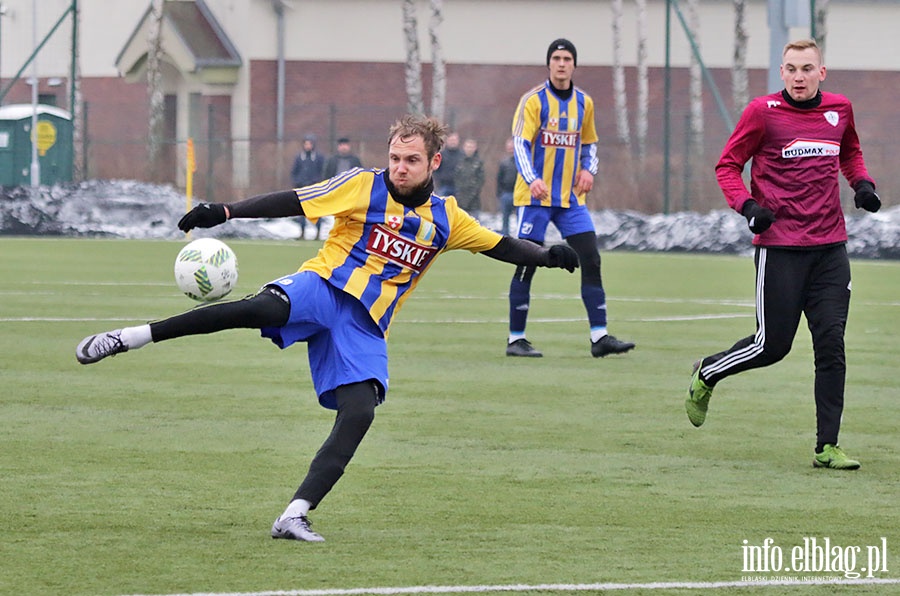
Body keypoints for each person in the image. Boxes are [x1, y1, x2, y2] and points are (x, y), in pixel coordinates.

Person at [75, 114, 580, 542]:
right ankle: (130, 336)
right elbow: (291, 200)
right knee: (257, 311)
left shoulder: (447, 218)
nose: (400, 168)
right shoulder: (362, 184)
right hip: (322, 286)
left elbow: (500, 245)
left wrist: (546, 255)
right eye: (395, 158)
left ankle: (294, 514)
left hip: (364, 324)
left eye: (411, 161)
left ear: (434, 163)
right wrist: (225, 211)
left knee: (359, 413)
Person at [685, 39, 881, 470]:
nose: (798, 76)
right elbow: (727, 165)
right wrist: (748, 207)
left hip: (830, 249)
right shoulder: (762, 113)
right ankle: (707, 373)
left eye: (806, 68)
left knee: (831, 345)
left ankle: (826, 447)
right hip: (780, 249)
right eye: (790, 68)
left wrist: (861, 184)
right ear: (782, 72)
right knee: (772, 346)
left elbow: (849, 151)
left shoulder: (840, 110)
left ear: (821, 73)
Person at [505, 38, 635, 359]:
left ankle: (600, 336)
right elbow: (520, 144)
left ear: (574, 65)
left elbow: (590, 145)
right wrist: (532, 178)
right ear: (549, 64)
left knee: (590, 258)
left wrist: (589, 170)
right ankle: (516, 338)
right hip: (535, 198)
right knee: (526, 262)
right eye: (556, 58)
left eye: (567, 59)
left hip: (571, 200)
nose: (562, 64)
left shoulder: (583, 103)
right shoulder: (533, 101)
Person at [290, 134, 326, 239]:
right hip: (302, 189)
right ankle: (302, 233)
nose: (308, 146)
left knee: (317, 211)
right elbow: (294, 172)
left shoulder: (319, 158)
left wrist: (317, 183)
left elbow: (322, 172)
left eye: (310, 143)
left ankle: (318, 233)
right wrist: (298, 182)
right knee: (301, 212)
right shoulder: (299, 157)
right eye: (306, 144)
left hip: (314, 189)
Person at [452, 137, 485, 217]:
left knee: (475, 222)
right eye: (467, 147)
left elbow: (481, 180)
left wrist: (474, 192)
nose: (469, 149)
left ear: (475, 148)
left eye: (471, 147)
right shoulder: (459, 161)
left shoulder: (479, 162)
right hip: (460, 197)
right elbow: (456, 178)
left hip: (474, 199)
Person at [496, 137, 517, 236]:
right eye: (509, 146)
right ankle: (505, 238)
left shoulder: (521, 162)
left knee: (519, 219)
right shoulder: (504, 163)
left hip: (518, 195)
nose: (510, 148)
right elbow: (499, 178)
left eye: (512, 146)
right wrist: (500, 193)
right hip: (506, 194)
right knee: (505, 219)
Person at [432, 131, 461, 196]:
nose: (453, 142)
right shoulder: (441, 155)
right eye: (451, 140)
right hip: (443, 186)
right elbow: (435, 169)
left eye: (455, 140)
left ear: (458, 141)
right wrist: (439, 179)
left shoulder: (462, 156)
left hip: (459, 187)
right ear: (447, 141)